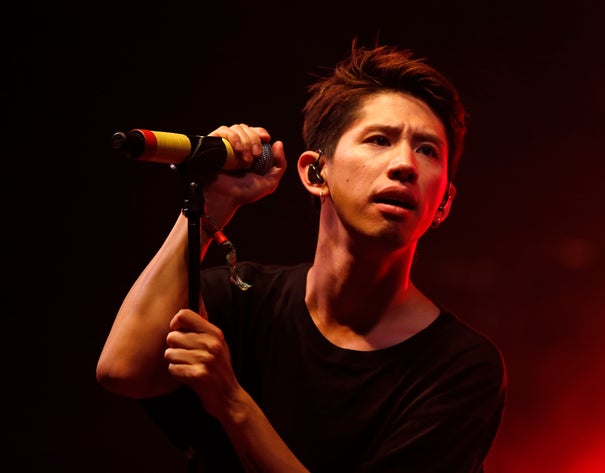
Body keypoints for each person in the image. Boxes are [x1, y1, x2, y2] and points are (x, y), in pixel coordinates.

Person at [96, 39, 507, 473]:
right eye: (380, 139)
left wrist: (234, 404)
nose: (405, 163)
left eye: (427, 150)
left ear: (443, 203)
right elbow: (122, 370)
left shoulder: (461, 368)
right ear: (315, 173)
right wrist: (213, 207)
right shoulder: (242, 299)